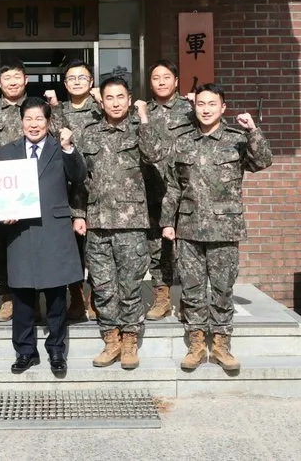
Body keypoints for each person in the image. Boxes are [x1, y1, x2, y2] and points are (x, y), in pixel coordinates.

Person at [161, 83, 272, 372]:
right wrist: (167, 223)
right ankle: (196, 344)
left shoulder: (236, 139)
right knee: (192, 288)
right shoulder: (182, 142)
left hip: (225, 228)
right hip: (189, 227)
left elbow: (262, 161)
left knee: (223, 288)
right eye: (200, 104)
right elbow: (173, 186)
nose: (206, 109)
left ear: (223, 108)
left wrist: (253, 131)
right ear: (193, 107)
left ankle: (221, 344)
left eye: (212, 104)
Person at [0, 59, 65, 322]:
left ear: (26, 80)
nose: (12, 82)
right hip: (4, 191)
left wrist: (56, 108)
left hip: (42, 187)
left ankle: (43, 296)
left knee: (42, 245)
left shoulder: (40, 107)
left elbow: (62, 136)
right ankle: (9, 297)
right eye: (7, 78)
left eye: (17, 77)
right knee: (4, 245)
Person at [0, 98, 86, 375]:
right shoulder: (6, 152)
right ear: (20, 121)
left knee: (56, 294)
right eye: (28, 119)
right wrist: (3, 209)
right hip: (20, 231)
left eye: (39, 119)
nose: (33, 124)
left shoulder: (60, 148)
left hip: (54, 227)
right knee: (22, 294)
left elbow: (79, 175)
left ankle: (56, 350)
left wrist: (69, 148)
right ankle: (25, 351)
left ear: (48, 122)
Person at [73, 76, 151, 370]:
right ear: (100, 101)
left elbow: (157, 154)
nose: (115, 103)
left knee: (130, 286)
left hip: (131, 223)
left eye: (121, 97)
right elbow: (79, 180)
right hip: (97, 223)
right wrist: (79, 215)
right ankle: (111, 339)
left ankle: (130, 340)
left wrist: (144, 119)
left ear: (129, 100)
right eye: (109, 98)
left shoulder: (140, 130)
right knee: (104, 287)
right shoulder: (89, 134)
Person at [44, 60, 102, 321]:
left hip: (101, 187)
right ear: (65, 84)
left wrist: (102, 101)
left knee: (98, 248)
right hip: (67, 190)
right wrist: (54, 107)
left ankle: (99, 297)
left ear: (91, 82)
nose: (77, 81)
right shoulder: (58, 110)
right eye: (71, 78)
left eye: (83, 77)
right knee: (74, 249)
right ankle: (77, 297)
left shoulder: (101, 108)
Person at [142, 60, 195, 321]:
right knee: (157, 247)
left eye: (166, 77)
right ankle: (161, 297)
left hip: (186, 190)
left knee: (187, 249)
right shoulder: (142, 112)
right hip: (154, 190)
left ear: (176, 80)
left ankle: (189, 300)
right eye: (155, 77)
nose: (161, 82)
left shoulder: (191, 109)